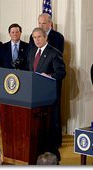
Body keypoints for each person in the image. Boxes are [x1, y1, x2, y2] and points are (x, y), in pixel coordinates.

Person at [26, 27, 66, 161]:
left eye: (39, 37)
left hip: (49, 97)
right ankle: (39, 155)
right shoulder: (32, 51)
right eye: (34, 37)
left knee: (49, 128)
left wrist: (48, 75)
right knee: (38, 128)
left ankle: (53, 157)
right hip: (34, 96)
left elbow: (61, 73)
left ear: (45, 38)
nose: (36, 40)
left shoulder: (54, 53)